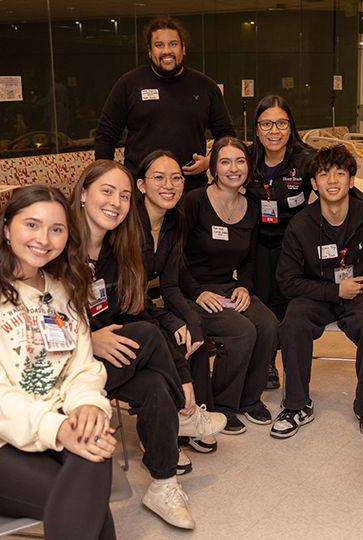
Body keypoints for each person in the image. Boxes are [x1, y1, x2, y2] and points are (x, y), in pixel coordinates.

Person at [0, 185, 116, 540]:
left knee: (95, 444)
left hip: (56, 422)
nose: (44, 239)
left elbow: (82, 368)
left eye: (56, 229)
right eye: (31, 225)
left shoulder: (63, 289)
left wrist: (90, 406)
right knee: (86, 505)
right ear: (6, 228)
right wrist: (59, 429)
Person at [70, 160, 226, 530]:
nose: (116, 202)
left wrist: (180, 370)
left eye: (123, 195)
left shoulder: (116, 251)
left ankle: (162, 484)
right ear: (82, 194)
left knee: (155, 381)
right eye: (107, 191)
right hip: (67, 370)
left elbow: (138, 311)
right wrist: (88, 339)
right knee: (145, 335)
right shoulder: (59, 248)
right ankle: (186, 412)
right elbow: (40, 322)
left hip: (106, 363)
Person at [272, 144, 363, 438]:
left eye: (340, 173)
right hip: (315, 293)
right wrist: (335, 291)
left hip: (360, 292)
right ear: (314, 183)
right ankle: (296, 405)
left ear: (352, 180)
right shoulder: (300, 225)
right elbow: (287, 281)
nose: (332, 181)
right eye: (324, 174)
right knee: (292, 323)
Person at [178, 136, 279, 434]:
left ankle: (249, 400)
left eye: (240, 161)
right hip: (191, 289)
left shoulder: (251, 207)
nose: (233, 168)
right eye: (225, 162)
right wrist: (197, 292)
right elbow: (173, 259)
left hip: (227, 286)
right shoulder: (194, 202)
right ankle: (221, 406)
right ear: (213, 168)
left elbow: (249, 259)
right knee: (241, 331)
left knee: (269, 324)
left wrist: (244, 286)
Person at [135, 149, 218, 454]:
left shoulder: (173, 223)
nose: (168, 184)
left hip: (145, 304)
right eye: (158, 177)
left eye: (176, 178)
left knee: (193, 329)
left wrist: (191, 320)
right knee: (167, 334)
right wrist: (170, 320)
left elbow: (170, 284)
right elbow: (133, 296)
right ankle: (163, 432)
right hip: (128, 309)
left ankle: (194, 416)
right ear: (142, 185)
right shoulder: (128, 226)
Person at [94, 15, 235, 191]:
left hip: (190, 190)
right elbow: (106, 136)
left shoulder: (206, 86)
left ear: (183, 48)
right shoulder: (129, 84)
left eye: (173, 44)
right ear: (149, 50)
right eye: (159, 45)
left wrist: (209, 160)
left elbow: (226, 135)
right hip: (142, 190)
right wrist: (105, 180)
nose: (166, 51)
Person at [245, 95, 315, 389]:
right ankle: (267, 361)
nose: (274, 131)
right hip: (257, 240)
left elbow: (339, 192)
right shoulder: (246, 160)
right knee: (260, 299)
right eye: (266, 123)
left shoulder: (307, 160)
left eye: (281, 123)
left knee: (289, 301)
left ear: (291, 127)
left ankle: (292, 361)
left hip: (294, 243)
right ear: (257, 129)